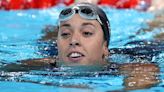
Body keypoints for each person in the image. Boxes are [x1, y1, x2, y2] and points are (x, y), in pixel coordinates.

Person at [1, 2, 160, 91]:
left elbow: (144, 76)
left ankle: (158, 14)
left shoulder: (125, 64)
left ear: (105, 46)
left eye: (87, 33)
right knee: (48, 35)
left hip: (135, 48)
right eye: (65, 34)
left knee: (154, 34)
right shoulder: (48, 63)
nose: (74, 40)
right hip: (52, 49)